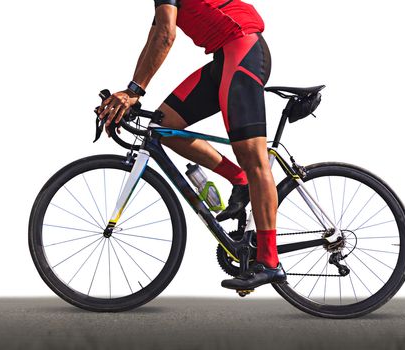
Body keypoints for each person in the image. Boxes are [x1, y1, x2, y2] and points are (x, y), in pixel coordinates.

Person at [97, 0, 285, 290]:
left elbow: (166, 37)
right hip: (226, 56)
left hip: (243, 49)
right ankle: (240, 180)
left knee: (253, 156)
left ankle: (270, 263)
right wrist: (131, 92)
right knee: (164, 127)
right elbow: (155, 36)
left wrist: (134, 91)